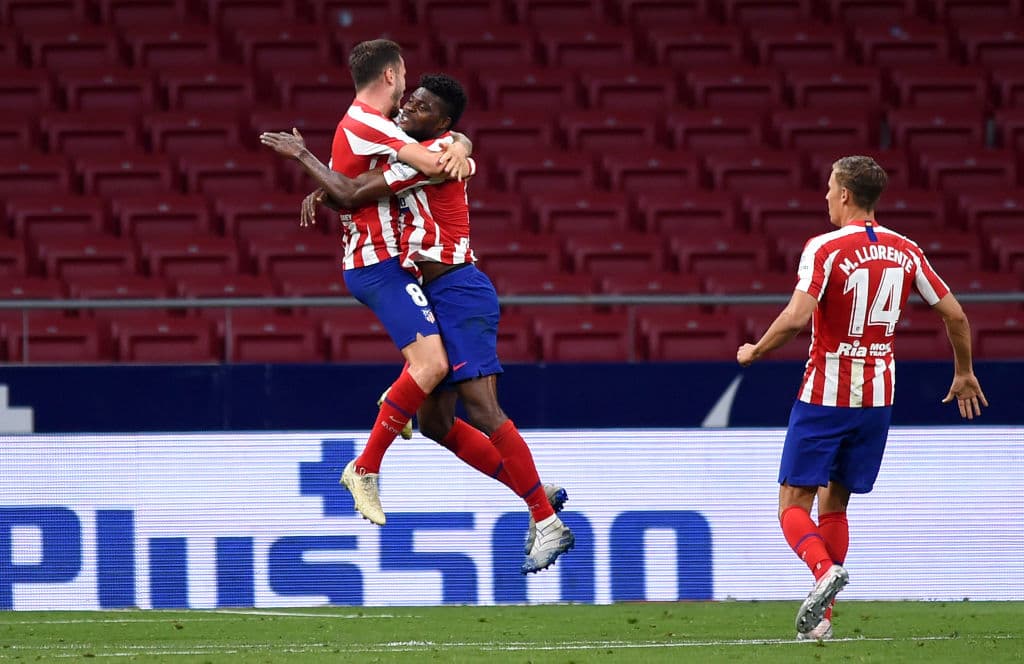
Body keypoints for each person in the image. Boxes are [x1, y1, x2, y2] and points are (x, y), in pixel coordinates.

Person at [261, 74, 574, 574]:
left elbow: (353, 190)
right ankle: (531, 489)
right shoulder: (420, 152)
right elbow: (358, 192)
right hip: (438, 292)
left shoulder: (435, 156)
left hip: (460, 292)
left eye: (424, 107)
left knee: (484, 409)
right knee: (435, 423)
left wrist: (304, 157)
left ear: (443, 123)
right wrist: (328, 192)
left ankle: (545, 518)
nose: (409, 107)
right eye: (412, 99)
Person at [736, 155, 988, 639]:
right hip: (877, 400)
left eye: (830, 188)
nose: (826, 196)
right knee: (835, 505)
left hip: (825, 396)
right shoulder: (907, 250)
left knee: (792, 504)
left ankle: (822, 571)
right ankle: (822, 621)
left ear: (846, 194)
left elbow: (795, 318)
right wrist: (964, 371)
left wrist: (755, 351)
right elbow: (955, 315)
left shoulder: (825, 248)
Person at [271, 39, 471, 528]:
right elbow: (430, 165)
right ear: (391, 74)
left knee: (433, 377)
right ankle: (364, 468)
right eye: (404, 75)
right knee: (432, 365)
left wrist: (462, 144)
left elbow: (349, 183)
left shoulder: (376, 124)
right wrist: (456, 152)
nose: (407, 88)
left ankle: (532, 492)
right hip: (376, 265)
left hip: (390, 262)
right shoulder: (367, 121)